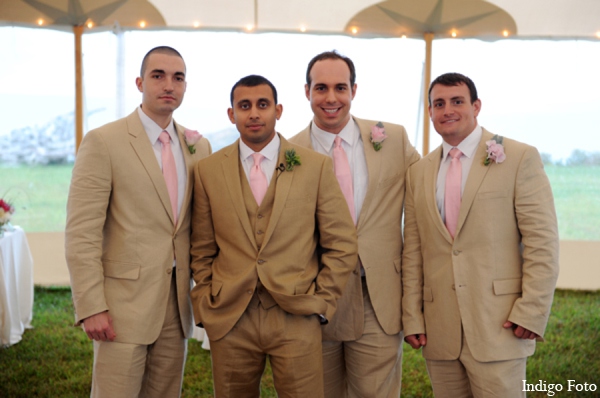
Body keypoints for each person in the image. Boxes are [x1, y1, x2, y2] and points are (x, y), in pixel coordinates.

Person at [190, 74, 358, 398]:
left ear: (278, 110)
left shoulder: (315, 166)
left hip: (296, 312)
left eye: (262, 105)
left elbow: (342, 241)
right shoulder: (208, 170)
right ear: (231, 114)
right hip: (230, 314)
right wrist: (206, 298)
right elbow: (201, 246)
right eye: (244, 106)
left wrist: (322, 301)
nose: (254, 113)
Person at [65, 46, 212, 397]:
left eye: (178, 78)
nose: (168, 85)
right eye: (158, 75)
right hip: (120, 306)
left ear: (185, 86)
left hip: (176, 306)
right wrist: (92, 306)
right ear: (139, 82)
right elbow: (81, 233)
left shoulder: (198, 146)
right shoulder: (104, 141)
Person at [402, 72, 559, 397]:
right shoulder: (418, 172)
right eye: (438, 104)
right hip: (440, 329)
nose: (448, 110)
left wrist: (532, 311)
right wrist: (412, 316)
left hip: (499, 324)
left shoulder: (518, 157)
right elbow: (413, 251)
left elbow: (542, 244)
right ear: (430, 111)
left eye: (457, 101)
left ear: (476, 106)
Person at [290, 50, 420, 398]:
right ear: (307, 92)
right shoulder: (288, 153)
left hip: (379, 297)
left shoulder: (392, 139)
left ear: (354, 90)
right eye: (321, 88)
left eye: (340, 87)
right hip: (317, 301)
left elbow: (428, 194)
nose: (331, 98)